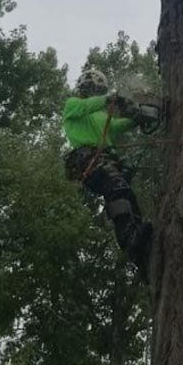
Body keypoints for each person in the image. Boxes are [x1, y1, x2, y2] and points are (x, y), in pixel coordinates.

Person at [62, 66, 153, 281]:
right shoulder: (73, 105)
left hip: (106, 161)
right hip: (87, 159)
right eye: (92, 88)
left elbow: (120, 125)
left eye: (97, 89)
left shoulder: (103, 117)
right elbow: (86, 106)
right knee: (116, 185)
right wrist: (110, 98)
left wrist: (142, 115)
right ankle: (129, 239)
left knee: (126, 193)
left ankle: (141, 249)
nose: (94, 92)